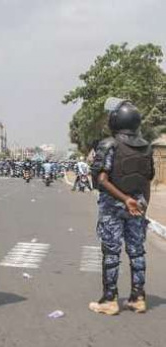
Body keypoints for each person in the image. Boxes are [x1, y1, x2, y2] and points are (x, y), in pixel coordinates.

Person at [89, 98, 155, 315]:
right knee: (137, 251)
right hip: (138, 206)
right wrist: (143, 206)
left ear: (115, 121)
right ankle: (138, 297)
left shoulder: (110, 145)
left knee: (111, 252)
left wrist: (125, 199)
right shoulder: (146, 147)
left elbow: (101, 179)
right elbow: (147, 180)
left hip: (114, 206)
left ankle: (109, 299)